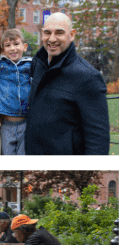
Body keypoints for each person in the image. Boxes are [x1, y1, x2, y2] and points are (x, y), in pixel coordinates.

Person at [26, 12, 109, 155]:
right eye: (47, 33)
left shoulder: (87, 77)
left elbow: (98, 139)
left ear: (72, 35)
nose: (52, 39)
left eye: (59, 33)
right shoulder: (38, 64)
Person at [0, 28, 33, 155]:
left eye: (16, 44)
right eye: (8, 45)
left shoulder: (31, 65)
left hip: (26, 123)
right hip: (6, 124)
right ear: (3, 49)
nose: (12, 48)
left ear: (24, 46)